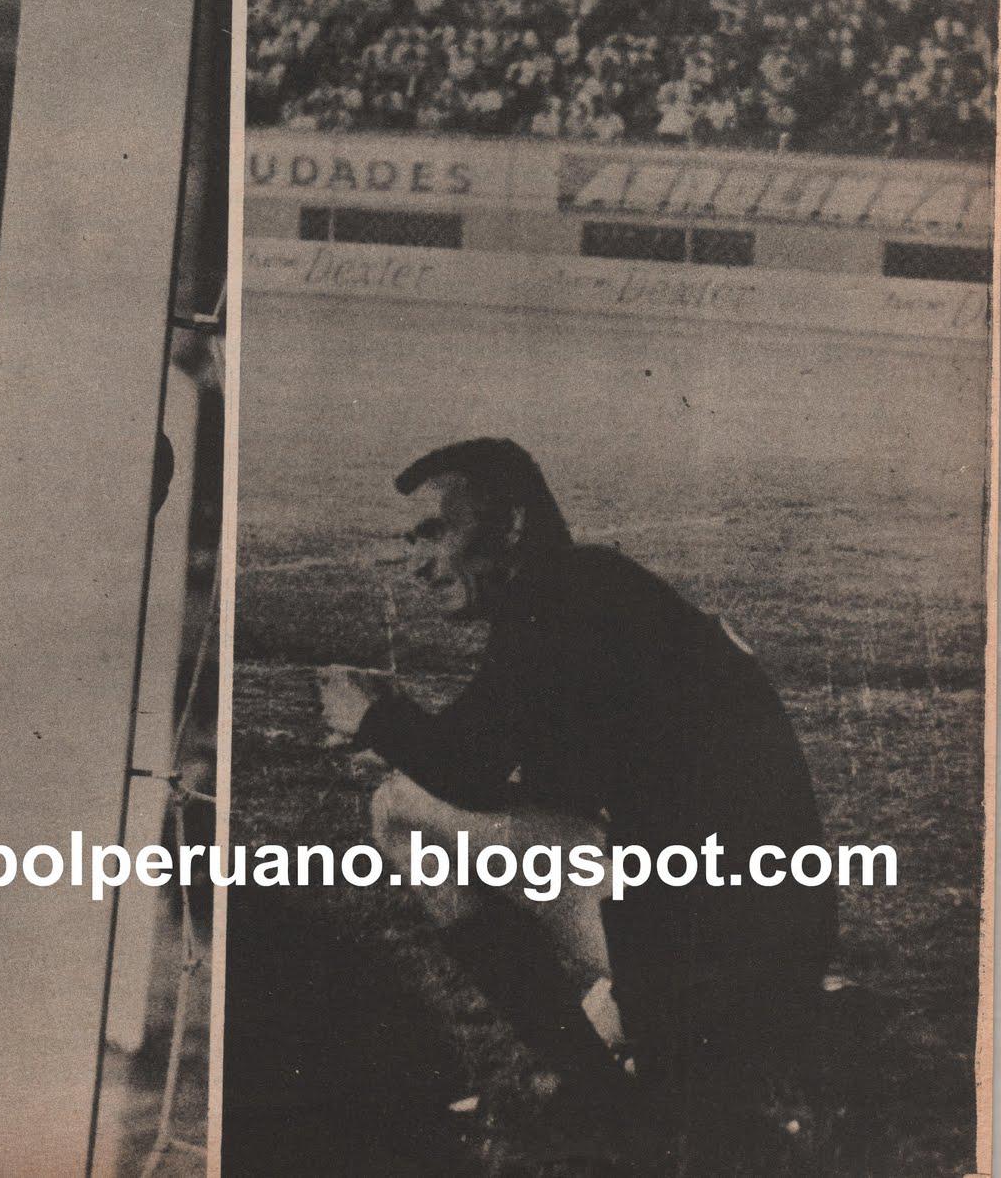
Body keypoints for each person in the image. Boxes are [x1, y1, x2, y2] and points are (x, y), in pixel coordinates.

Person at [320, 438, 837, 1172]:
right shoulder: (595, 591)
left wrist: (373, 718)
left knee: (398, 811)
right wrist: (405, 737)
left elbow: (469, 770)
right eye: (411, 540)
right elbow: (544, 774)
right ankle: (668, 1041)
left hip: (706, 948)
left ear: (514, 526)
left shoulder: (553, 605)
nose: (418, 562)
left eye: (435, 531)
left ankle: (608, 1089)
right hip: (770, 933)